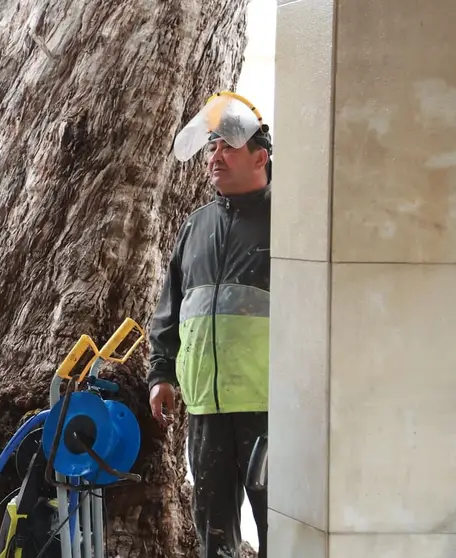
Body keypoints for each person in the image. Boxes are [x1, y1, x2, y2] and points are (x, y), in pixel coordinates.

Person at [147, 92, 272, 558]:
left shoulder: (291, 221)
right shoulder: (196, 225)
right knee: (213, 536)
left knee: (279, 524)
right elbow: (171, 309)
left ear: (260, 157)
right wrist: (160, 374)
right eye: (211, 146)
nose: (214, 156)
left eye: (227, 147)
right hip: (206, 409)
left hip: (268, 407)